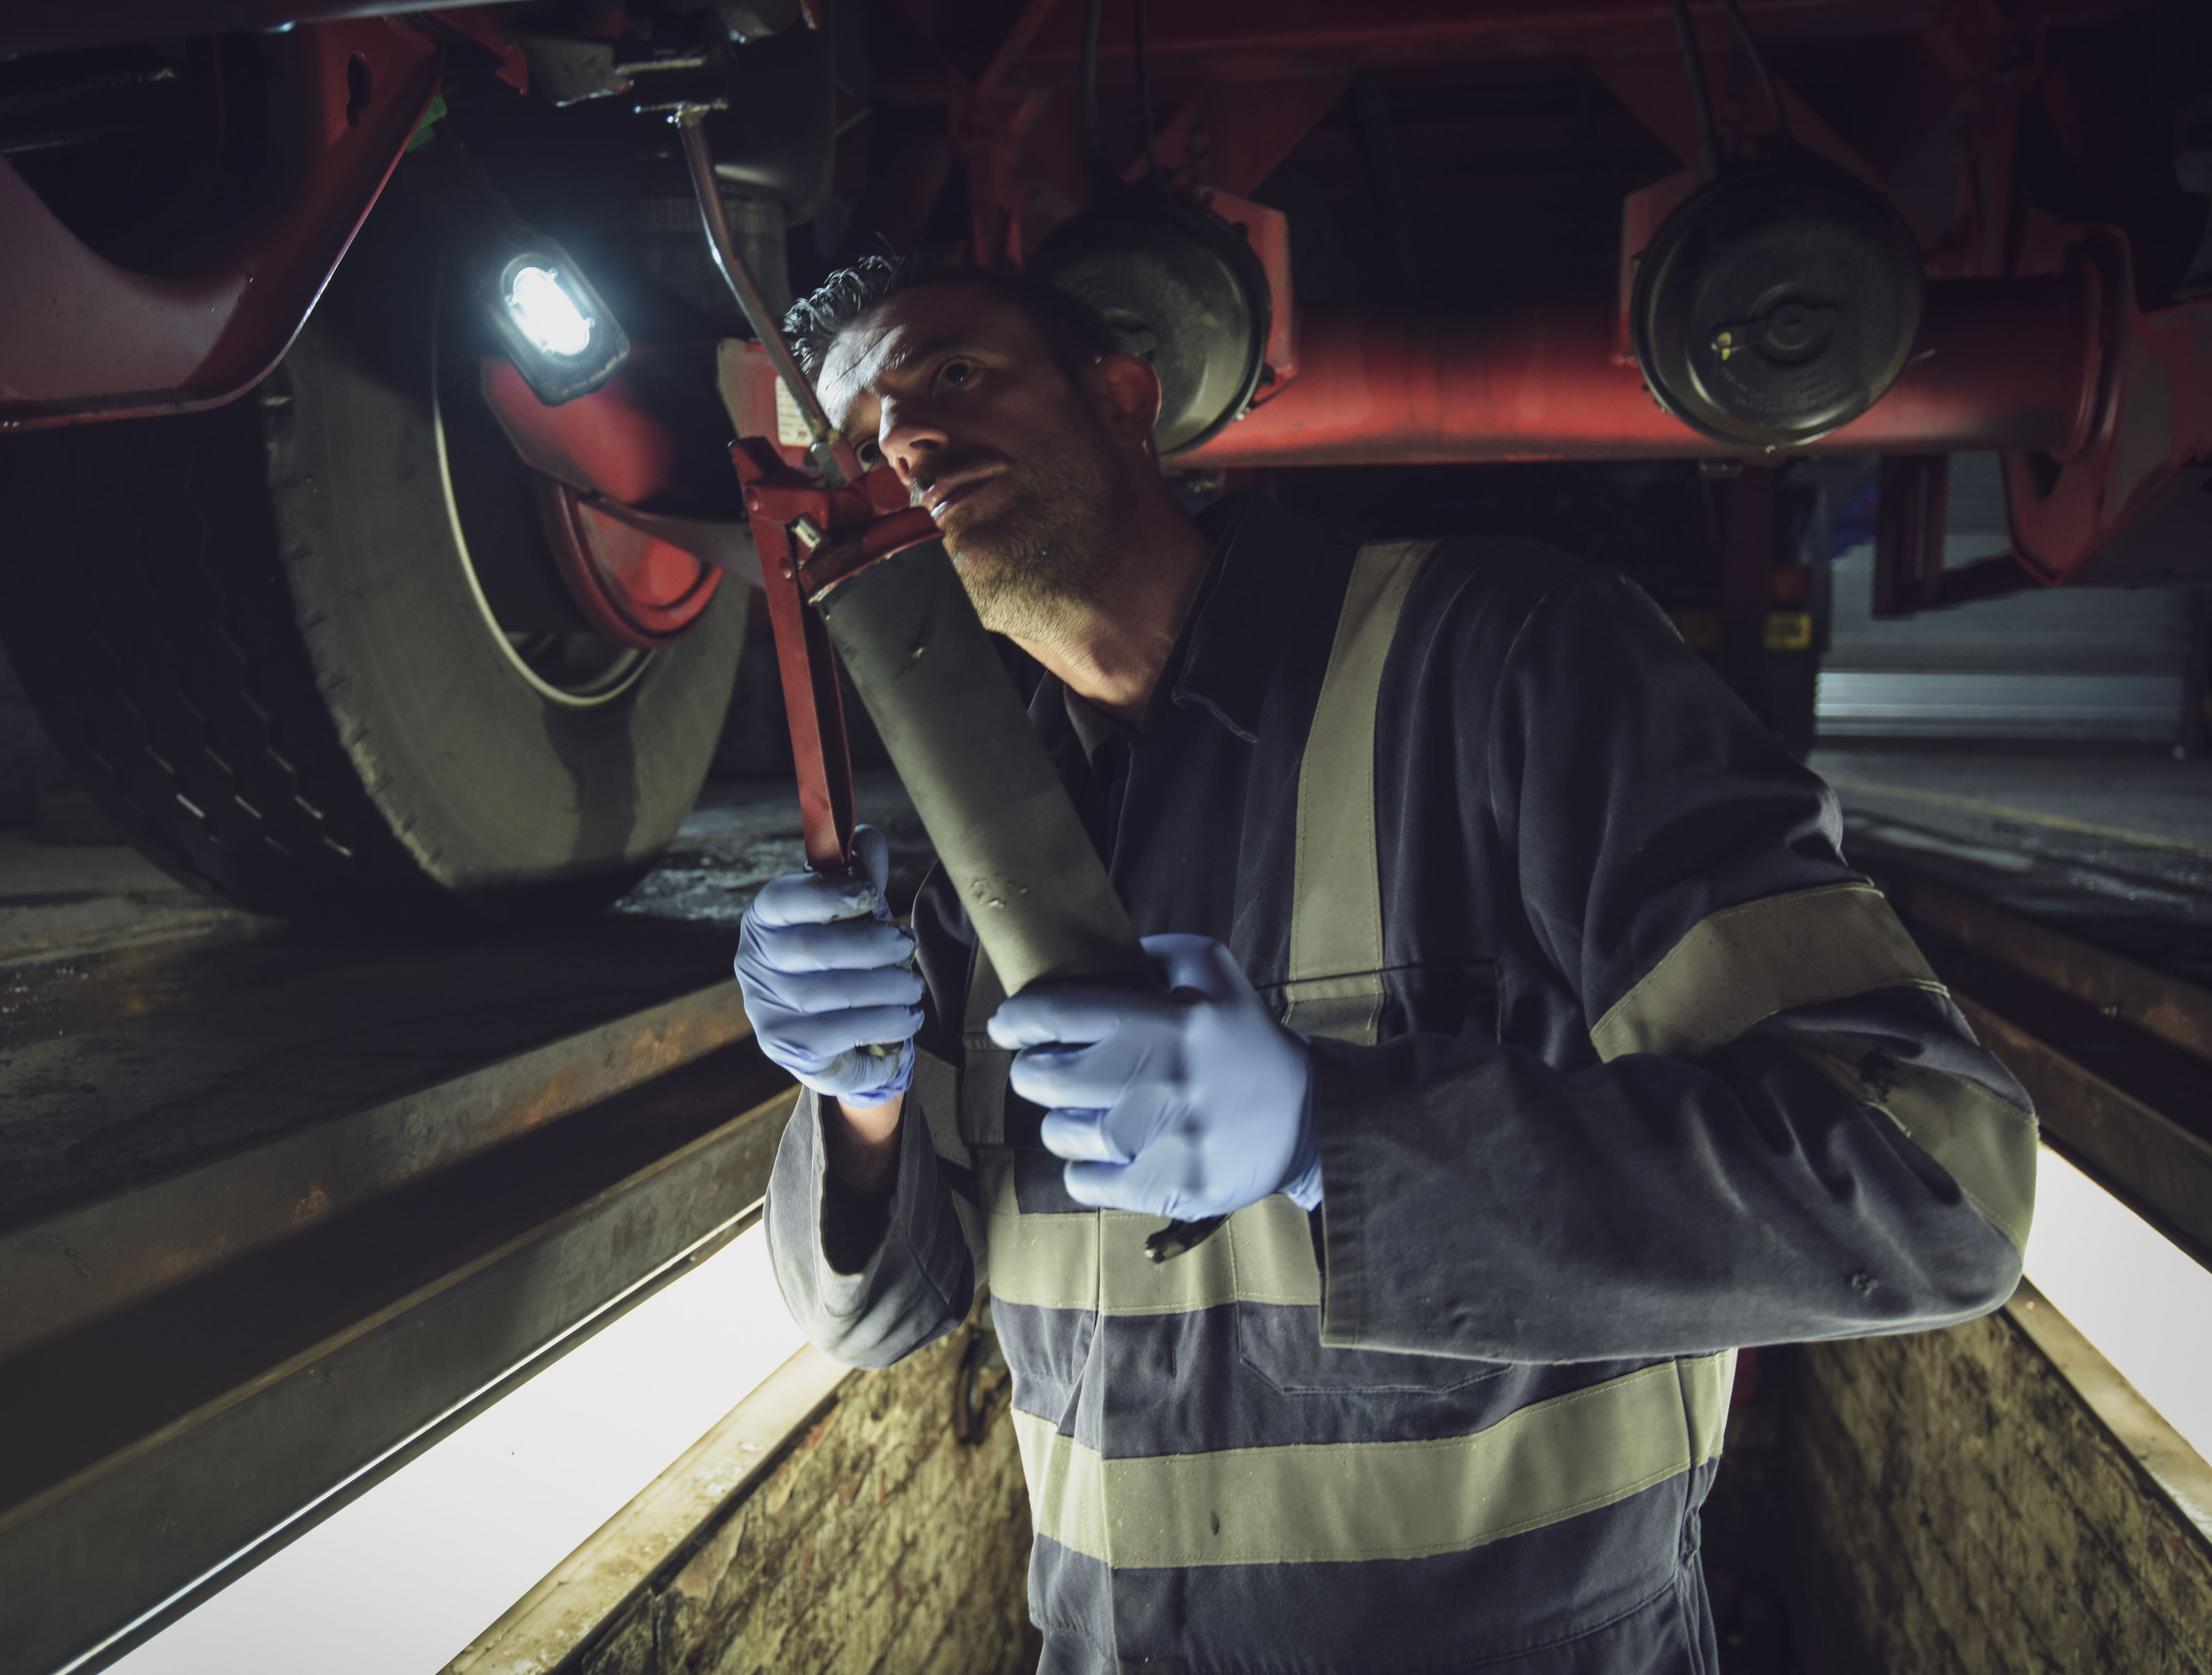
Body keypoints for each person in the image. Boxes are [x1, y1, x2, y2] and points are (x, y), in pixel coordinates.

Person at [732, 253, 2035, 1675]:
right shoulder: (984, 854)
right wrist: (856, 1098)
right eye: (857, 436)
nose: (904, 439)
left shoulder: (1504, 663)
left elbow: (1935, 1181)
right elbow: (877, 1315)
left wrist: (1327, 1136)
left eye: (953, 374)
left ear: (1124, 399)